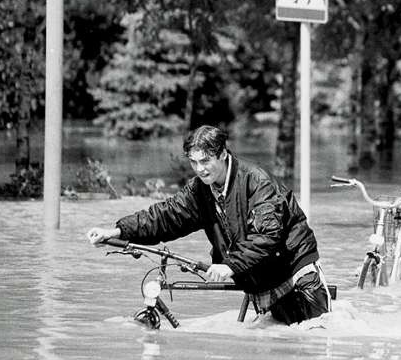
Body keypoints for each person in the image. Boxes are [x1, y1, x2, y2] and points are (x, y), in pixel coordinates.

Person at [86, 125, 331, 325]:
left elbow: (267, 236)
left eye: (205, 161)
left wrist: (230, 265)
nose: (200, 169)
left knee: (313, 343)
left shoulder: (257, 181)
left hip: (296, 275)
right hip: (261, 280)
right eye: (193, 162)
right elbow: (165, 216)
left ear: (223, 154)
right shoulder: (199, 190)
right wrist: (117, 231)